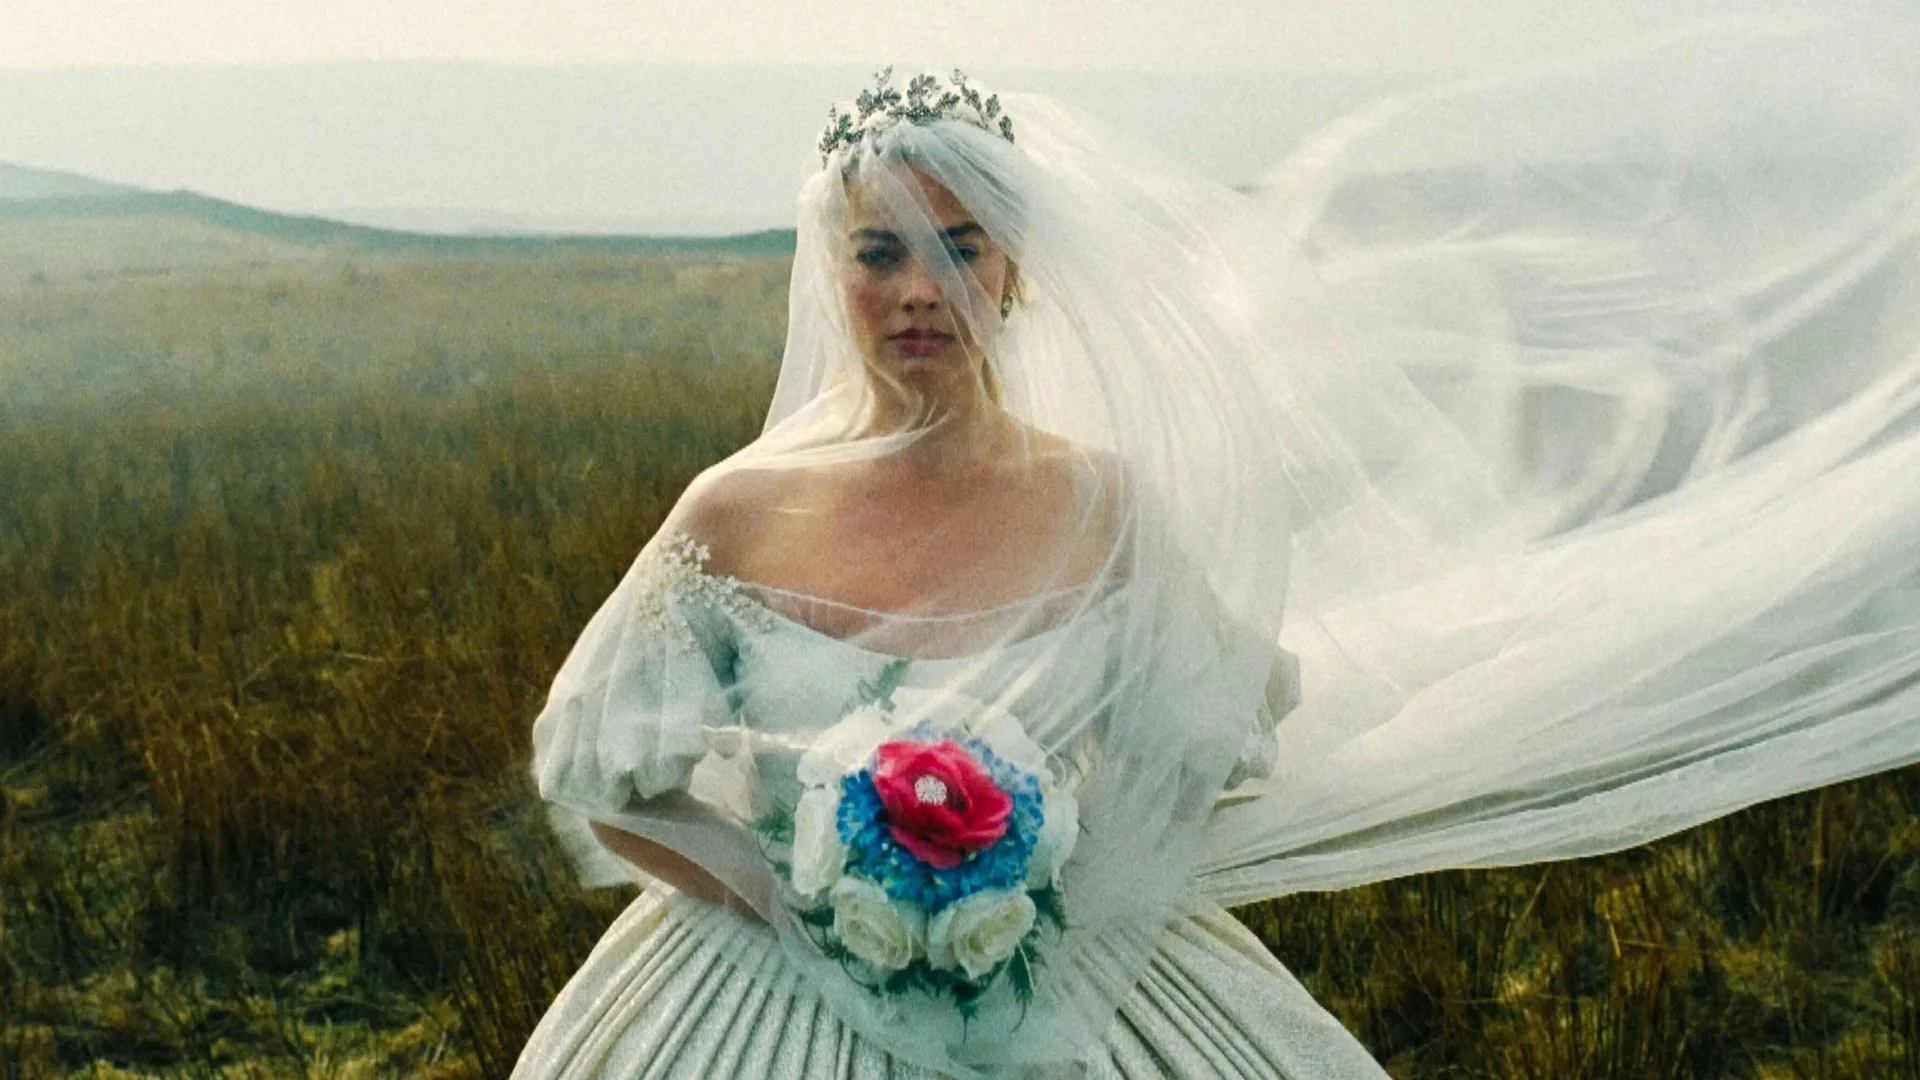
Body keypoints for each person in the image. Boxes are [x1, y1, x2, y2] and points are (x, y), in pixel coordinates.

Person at [517, 20, 1920, 1077]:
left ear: (1018, 270)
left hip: (1068, 986)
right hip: (767, 997)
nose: (922, 291)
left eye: (961, 247)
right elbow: (607, 781)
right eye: (882, 253)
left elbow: (1189, 754)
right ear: (835, 274)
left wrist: (1049, 894)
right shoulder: (734, 512)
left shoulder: (1107, 506)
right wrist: (805, 906)